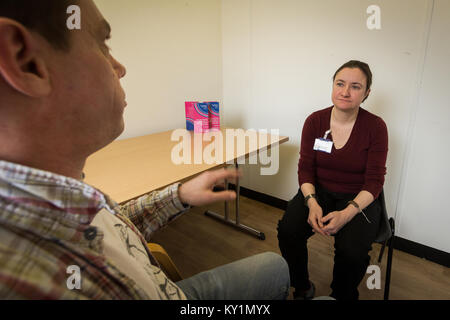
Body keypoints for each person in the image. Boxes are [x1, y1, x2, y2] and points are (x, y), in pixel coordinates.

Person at [0, 0, 289, 300]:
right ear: (25, 61)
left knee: (274, 264)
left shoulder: (59, 194)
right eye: (103, 43)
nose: (120, 68)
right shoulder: (28, 278)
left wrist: (178, 195)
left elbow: (110, 225)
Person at [277, 60, 388, 300]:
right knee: (288, 231)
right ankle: (302, 287)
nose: (345, 92)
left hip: (358, 198)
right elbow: (305, 169)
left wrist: (347, 213)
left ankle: (341, 295)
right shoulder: (314, 121)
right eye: (340, 83)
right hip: (318, 192)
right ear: (333, 86)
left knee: (352, 251)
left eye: (355, 86)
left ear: (367, 93)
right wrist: (312, 203)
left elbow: (375, 181)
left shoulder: (376, 127)